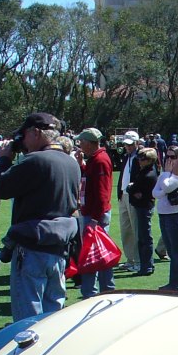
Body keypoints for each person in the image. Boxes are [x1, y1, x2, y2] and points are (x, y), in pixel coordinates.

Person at [0, 112, 81, 322]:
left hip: (32, 246)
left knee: (28, 320)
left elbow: (0, 188)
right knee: (53, 318)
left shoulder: (35, 160)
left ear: (36, 132)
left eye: (23, 136)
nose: (21, 142)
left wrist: (4, 160)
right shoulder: (71, 163)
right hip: (59, 247)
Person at [74, 127, 114, 297]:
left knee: (94, 255)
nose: (79, 144)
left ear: (90, 143)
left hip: (95, 215)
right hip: (93, 213)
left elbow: (102, 193)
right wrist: (81, 165)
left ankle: (94, 292)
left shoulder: (100, 160)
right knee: (98, 254)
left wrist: (95, 220)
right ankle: (104, 290)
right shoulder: (95, 159)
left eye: (82, 141)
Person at [153, 146, 178, 290]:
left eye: (173, 157)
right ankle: (173, 282)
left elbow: (166, 187)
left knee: (177, 250)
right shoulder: (167, 175)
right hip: (164, 214)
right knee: (171, 250)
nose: (169, 160)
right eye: (167, 156)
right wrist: (164, 183)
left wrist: (166, 175)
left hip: (175, 215)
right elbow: (155, 192)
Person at [127, 147, 158, 276]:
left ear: (150, 160)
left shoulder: (148, 174)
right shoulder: (144, 171)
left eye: (143, 159)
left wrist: (132, 189)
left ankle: (147, 266)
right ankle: (146, 265)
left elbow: (134, 188)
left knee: (145, 238)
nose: (140, 160)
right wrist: (133, 189)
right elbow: (134, 189)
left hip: (144, 207)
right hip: (142, 206)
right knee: (143, 237)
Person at [115, 131, 142, 272]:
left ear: (137, 143)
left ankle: (138, 261)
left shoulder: (140, 157)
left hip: (133, 197)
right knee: (125, 230)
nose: (128, 147)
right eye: (126, 144)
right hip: (123, 196)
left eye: (130, 144)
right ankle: (130, 259)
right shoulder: (126, 157)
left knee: (136, 229)